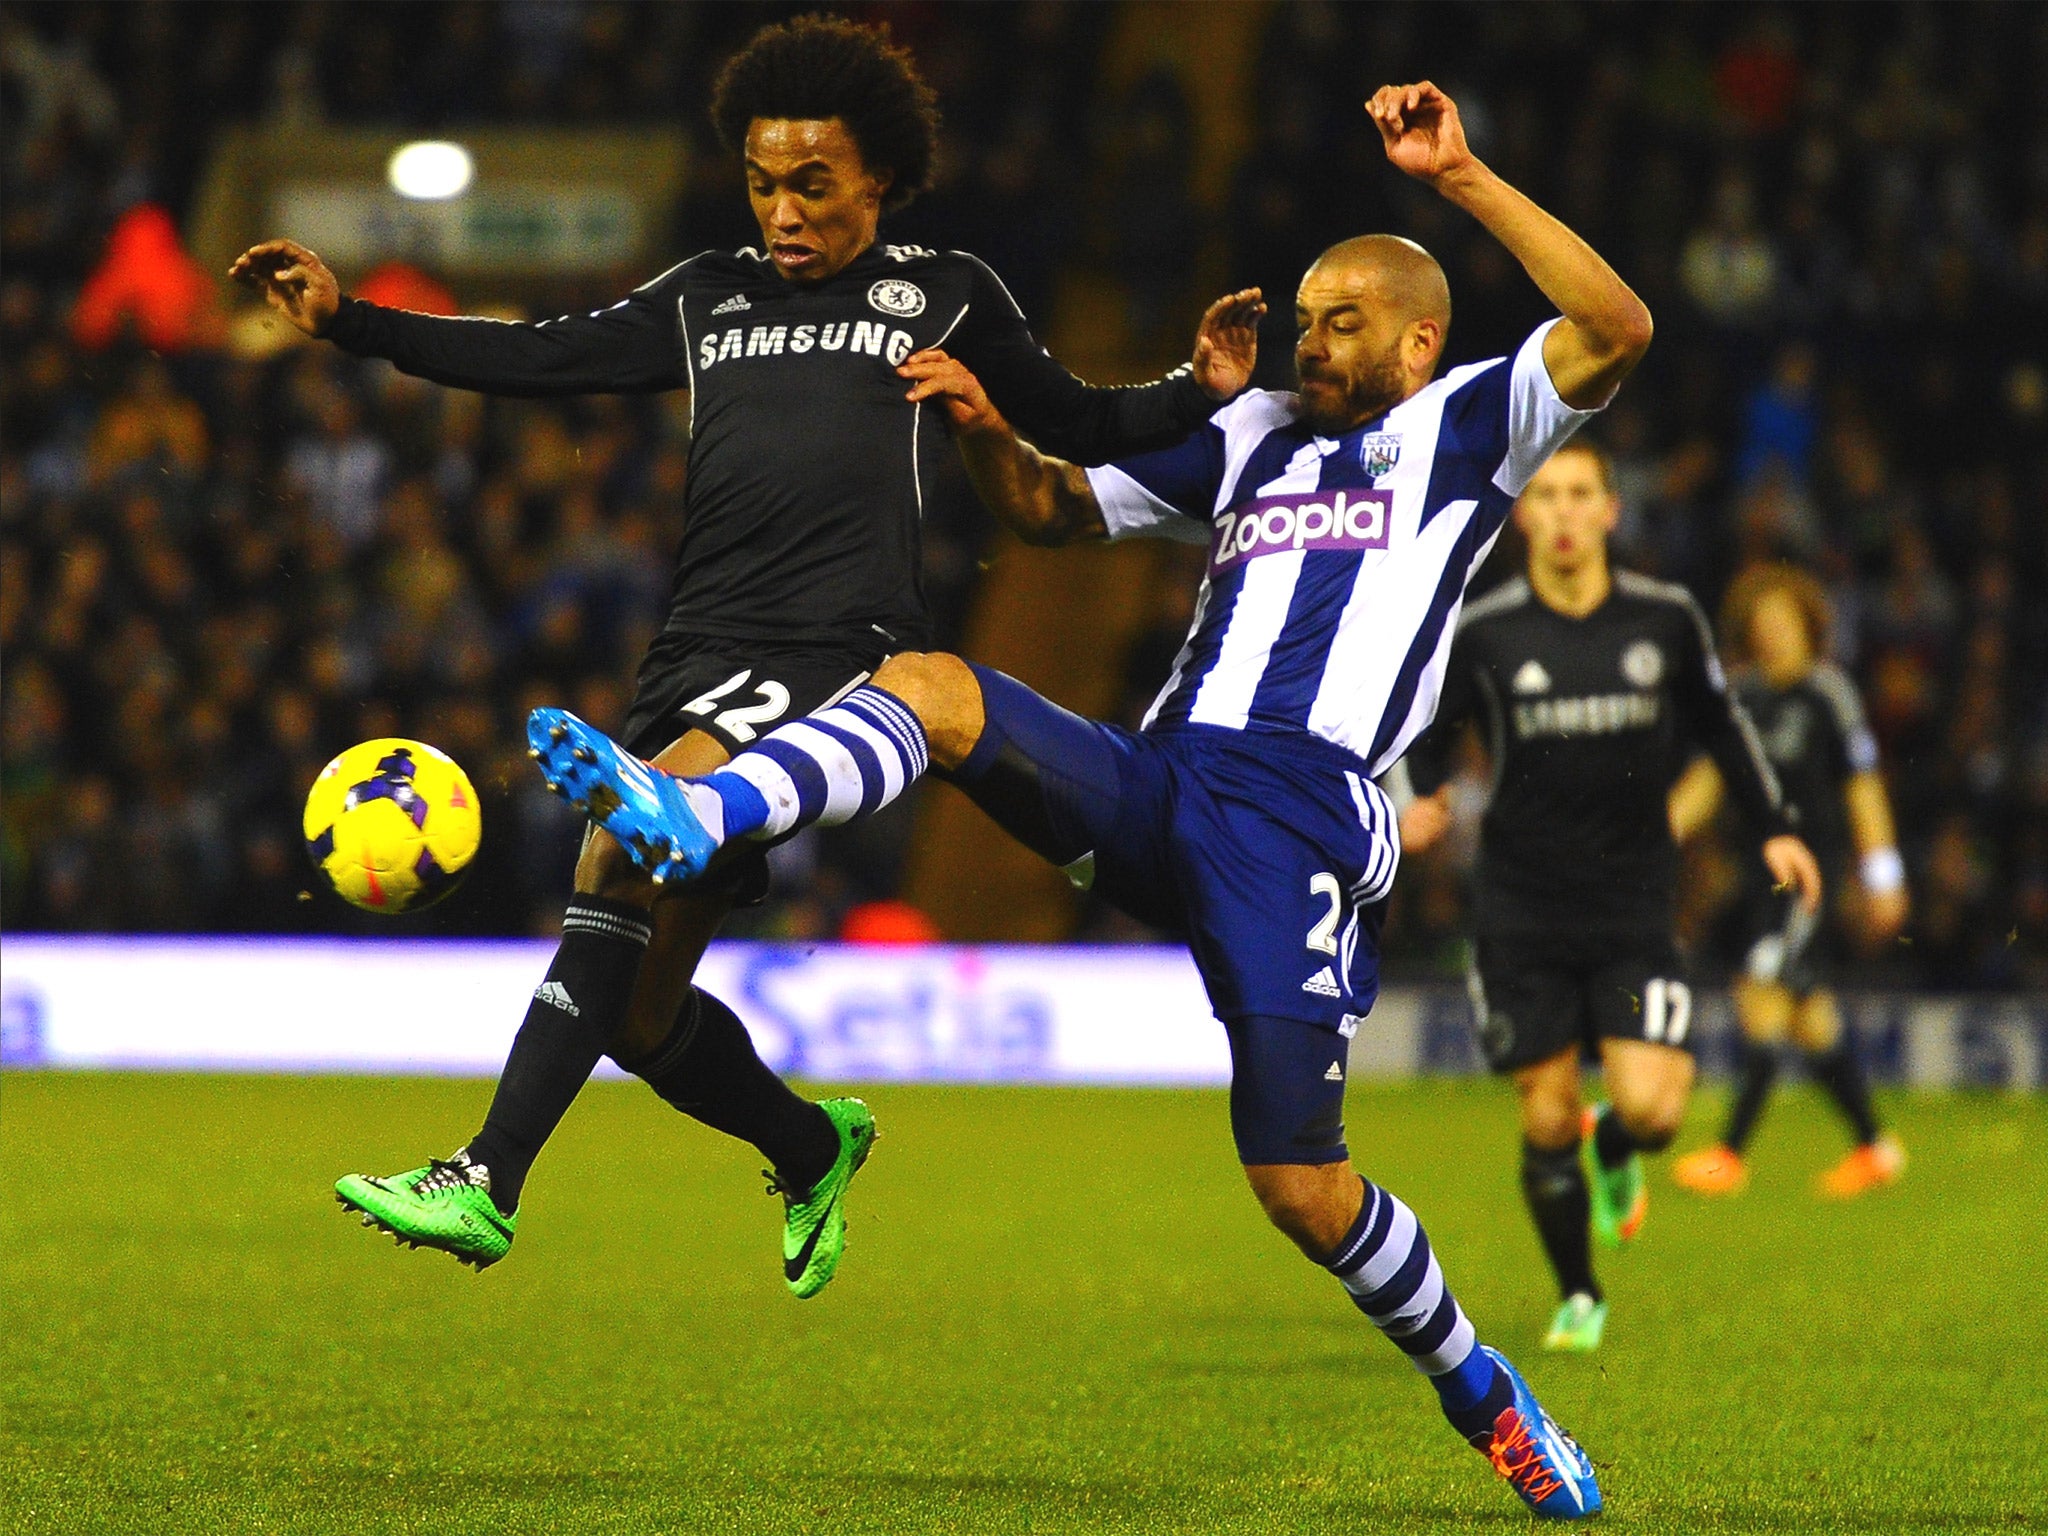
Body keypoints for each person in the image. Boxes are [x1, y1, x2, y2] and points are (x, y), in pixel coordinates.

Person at [523, 80, 1633, 1520]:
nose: (1310, 340)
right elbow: (1049, 509)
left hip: (1297, 823)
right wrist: (985, 422)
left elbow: (1616, 325)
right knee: (933, 685)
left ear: (1420, 339)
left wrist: (1464, 177)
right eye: (1305, 318)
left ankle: (1483, 1393)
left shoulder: (1474, 423)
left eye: (1343, 321)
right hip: (1163, 781)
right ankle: (703, 812)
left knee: (1300, 1190)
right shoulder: (1253, 431)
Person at [230, 15, 1263, 1290]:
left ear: (878, 180)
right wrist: (352, 321)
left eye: (813, 185)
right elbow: (537, 357)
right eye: (763, 183)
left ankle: (486, 1179)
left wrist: (1195, 389)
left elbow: (1078, 419)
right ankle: (808, 1144)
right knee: (639, 1014)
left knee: (618, 847)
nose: (783, 211)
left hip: (837, 648)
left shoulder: (943, 292)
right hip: (697, 649)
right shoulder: (705, 295)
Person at [1391, 442, 1821, 1353]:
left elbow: (1722, 725)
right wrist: (1419, 797)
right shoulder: (1487, 631)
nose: (1564, 511)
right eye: (1546, 495)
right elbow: (1426, 731)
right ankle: (1579, 1294)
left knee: (1654, 1112)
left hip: (1632, 906)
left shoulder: (1664, 620)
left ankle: (1618, 1147)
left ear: (1610, 512)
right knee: (1546, 1109)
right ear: (1524, 515)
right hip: (1521, 908)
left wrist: (1775, 825)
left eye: (1581, 493)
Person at [1670, 563, 1909, 1198]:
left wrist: (1884, 875)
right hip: (1758, 877)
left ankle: (1729, 1153)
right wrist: (1656, 831)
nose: (1772, 633)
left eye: (1783, 622)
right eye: (1761, 624)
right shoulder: (1741, 698)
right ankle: (1874, 1147)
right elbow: (1708, 782)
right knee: (1811, 1019)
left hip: (1810, 878)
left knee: (1760, 990)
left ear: (1809, 626)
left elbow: (1863, 789)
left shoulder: (1829, 694)